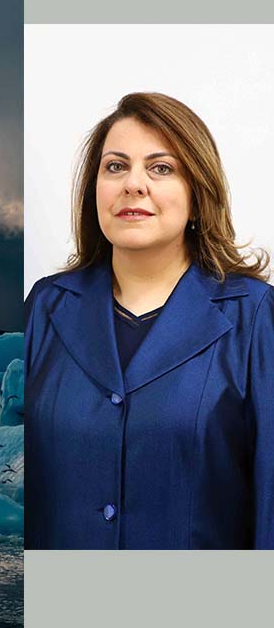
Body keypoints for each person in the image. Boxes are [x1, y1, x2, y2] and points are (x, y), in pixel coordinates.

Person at [25, 92, 274, 549]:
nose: (133, 184)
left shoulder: (254, 315)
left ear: (198, 194)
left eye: (161, 168)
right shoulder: (46, 306)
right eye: (115, 166)